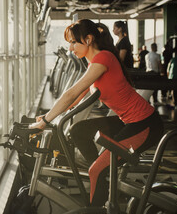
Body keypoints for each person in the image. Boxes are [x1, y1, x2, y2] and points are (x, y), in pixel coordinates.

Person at [29, 19, 164, 207]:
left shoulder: (103, 58)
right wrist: (52, 117)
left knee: (96, 171)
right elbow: (75, 99)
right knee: (78, 131)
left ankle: (98, 192)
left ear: (89, 39)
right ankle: (103, 175)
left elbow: (71, 93)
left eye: (74, 42)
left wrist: (45, 119)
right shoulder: (94, 63)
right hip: (127, 121)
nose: (70, 48)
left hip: (145, 124)